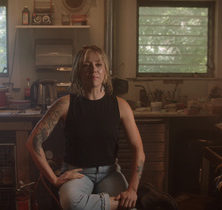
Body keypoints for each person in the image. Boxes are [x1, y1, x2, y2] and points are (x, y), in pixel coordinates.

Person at [26, 45, 145, 210]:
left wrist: (132, 189)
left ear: (105, 71)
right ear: (78, 72)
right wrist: (54, 179)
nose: (93, 69)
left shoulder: (121, 106)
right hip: (77, 172)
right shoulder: (65, 104)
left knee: (128, 202)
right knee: (71, 203)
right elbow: (33, 142)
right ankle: (119, 204)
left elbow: (138, 149)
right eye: (86, 65)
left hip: (110, 172)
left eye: (98, 64)